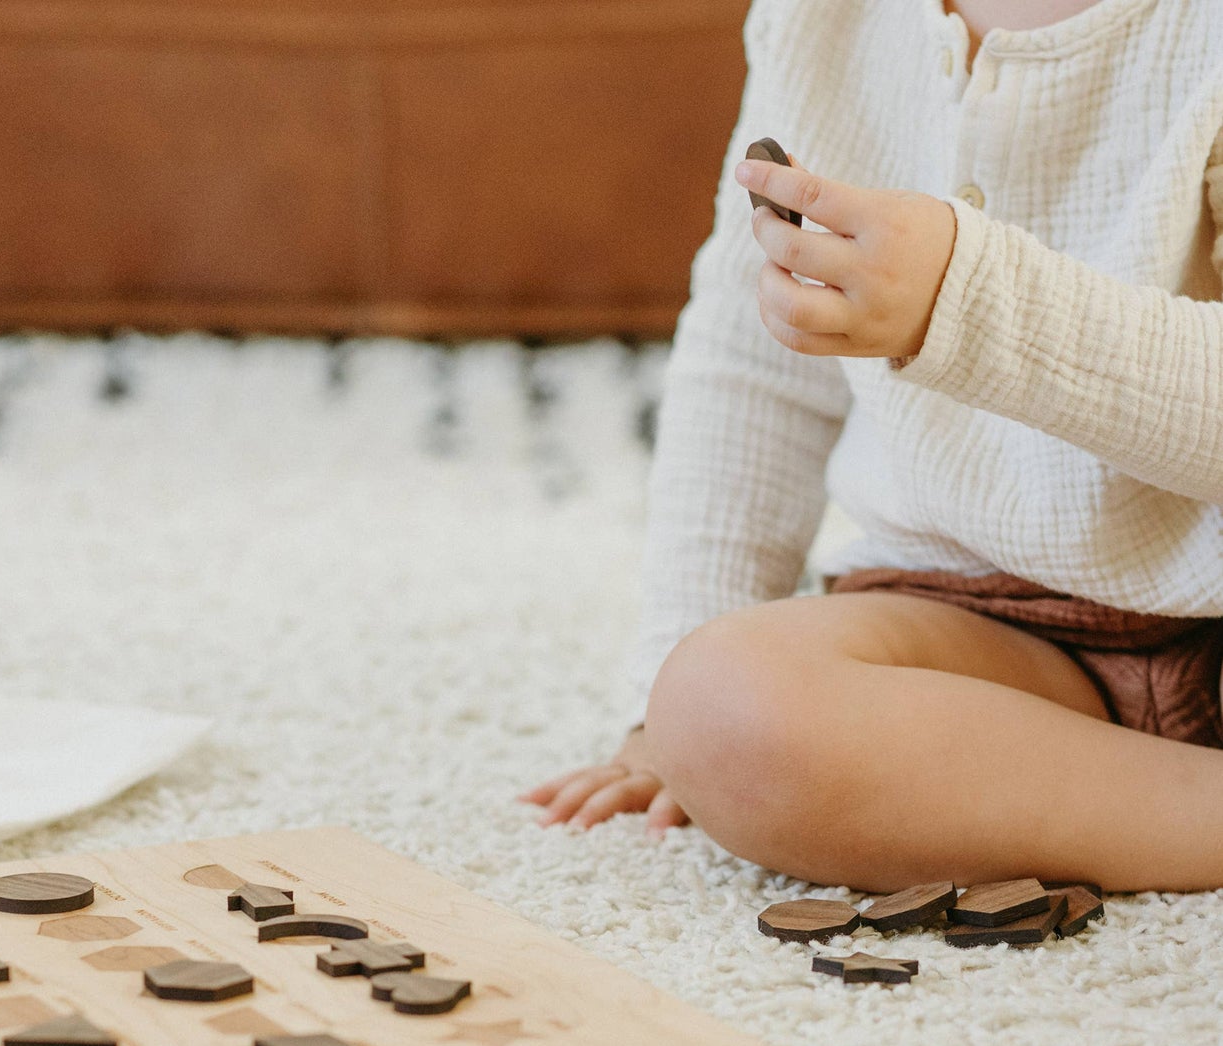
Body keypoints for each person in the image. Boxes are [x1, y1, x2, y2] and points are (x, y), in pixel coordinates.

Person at [521, 0, 1223, 893]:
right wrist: (662, 706)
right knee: (715, 703)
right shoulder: (823, 18)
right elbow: (750, 365)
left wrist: (965, 306)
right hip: (972, 634)